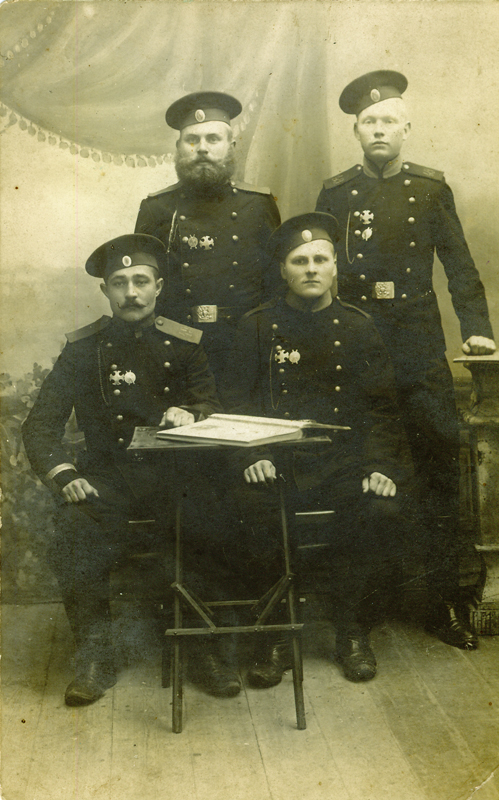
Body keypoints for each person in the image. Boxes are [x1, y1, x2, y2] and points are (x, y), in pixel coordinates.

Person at [315, 70, 496, 650]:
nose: (378, 129)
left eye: (388, 120)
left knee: (437, 469)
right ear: (356, 131)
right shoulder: (336, 194)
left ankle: (443, 603)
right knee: (358, 467)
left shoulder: (430, 189)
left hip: (417, 346)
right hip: (357, 344)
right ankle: (362, 607)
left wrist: (478, 331)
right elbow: (317, 270)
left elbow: (459, 265)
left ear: (406, 128)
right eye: (368, 121)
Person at [22, 233, 241, 706]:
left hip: (176, 477)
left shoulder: (185, 345)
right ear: (105, 290)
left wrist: (192, 413)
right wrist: (65, 475)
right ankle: (95, 655)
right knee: (75, 529)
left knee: (209, 519)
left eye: (141, 281)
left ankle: (204, 648)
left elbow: (211, 405)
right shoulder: (83, 349)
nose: (131, 293)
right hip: (109, 479)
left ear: (159, 286)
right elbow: (39, 425)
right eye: (119, 283)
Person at [220, 213, 406, 684]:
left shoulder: (360, 327)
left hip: (344, 462)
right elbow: (234, 405)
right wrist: (252, 455)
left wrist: (380, 466)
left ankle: (352, 630)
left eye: (320, 259)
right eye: (299, 261)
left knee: (381, 510)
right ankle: (275, 635)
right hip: (275, 459)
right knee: (249, 508)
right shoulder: (255, 326)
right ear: (282, 270)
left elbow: (382, 409)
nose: (310, 269)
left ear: (335, 266)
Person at [135, 91, 281, 383]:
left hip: (246, 346)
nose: (202, 148)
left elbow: (277, 285)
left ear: (231, 146)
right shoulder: (155, 208)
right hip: (177, 348)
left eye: (213, 139)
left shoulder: (259, 204)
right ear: (179, 148)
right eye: (192, 140)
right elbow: (143, 285)